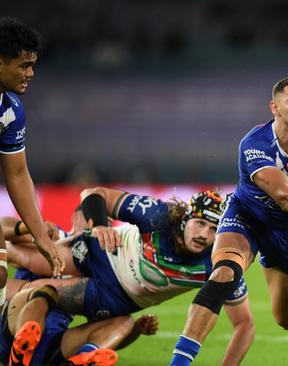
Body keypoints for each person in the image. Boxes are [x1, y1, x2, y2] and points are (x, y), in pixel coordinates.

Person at [168, 77, 288, 366]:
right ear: (275, 107)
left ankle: (269, 261)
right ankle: (179, 363)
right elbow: (286, 196)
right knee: (223, 274)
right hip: (247, 218)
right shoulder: (255, 143)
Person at [6, 189, 255, 366]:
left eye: (214, 230)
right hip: (98, 252)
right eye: (200, 223)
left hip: (112, 298)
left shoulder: (218, 262)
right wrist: (101, 225)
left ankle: (79, 355)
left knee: (39, 290)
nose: (204, 234)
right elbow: (94, 194)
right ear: (185, 218)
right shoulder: (158, 215)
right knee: (31, 263)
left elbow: (245, 324)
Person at [0, 16, 64, 306]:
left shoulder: (10, 112)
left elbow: (17, 175)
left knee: (1, 275)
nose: (31, 73)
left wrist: (41, 237)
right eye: (24, 65)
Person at [1, 285, 158, 366]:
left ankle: (78, 361)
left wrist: (135, 329)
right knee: (45, 291)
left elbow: (104, 335)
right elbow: (7, 236)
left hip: (53, 345)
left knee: (125, 321)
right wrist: (24, 230)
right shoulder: (33, 240)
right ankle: (20, 351)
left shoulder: (87, 265)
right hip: (15, 326)